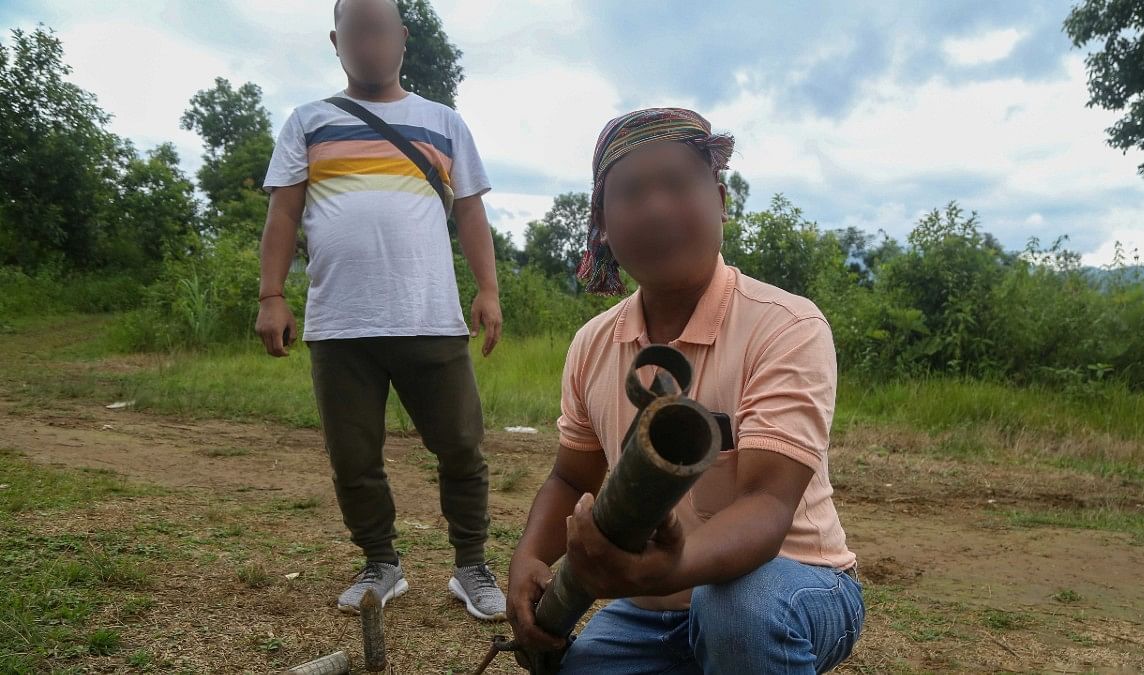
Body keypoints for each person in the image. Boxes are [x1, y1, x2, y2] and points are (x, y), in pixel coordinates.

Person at [506, 108, 864, 673]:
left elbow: (767, 504)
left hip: (794, 584)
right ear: (602, 220)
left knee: (739, 611)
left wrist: (664, 569)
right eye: (631, 193)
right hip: (651, 610)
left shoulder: (786, 326)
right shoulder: (592, 345)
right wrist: (528, 557)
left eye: (677, 184)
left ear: (719, 200)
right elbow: (573, 476)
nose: (656, 207)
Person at [255, 0, 506, 622]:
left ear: (403, 37)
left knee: (460, 448)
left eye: (381, 28)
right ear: (336, 41)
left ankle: (471, 566)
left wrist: (488, 289)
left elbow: (470, 211)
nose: (370, 41)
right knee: (353, 457)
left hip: (430, 318)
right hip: (340, 326)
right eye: (357, 30)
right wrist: (271, 295)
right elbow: (283, 212)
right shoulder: (307, 121)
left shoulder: (443, 122)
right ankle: (381, 563)